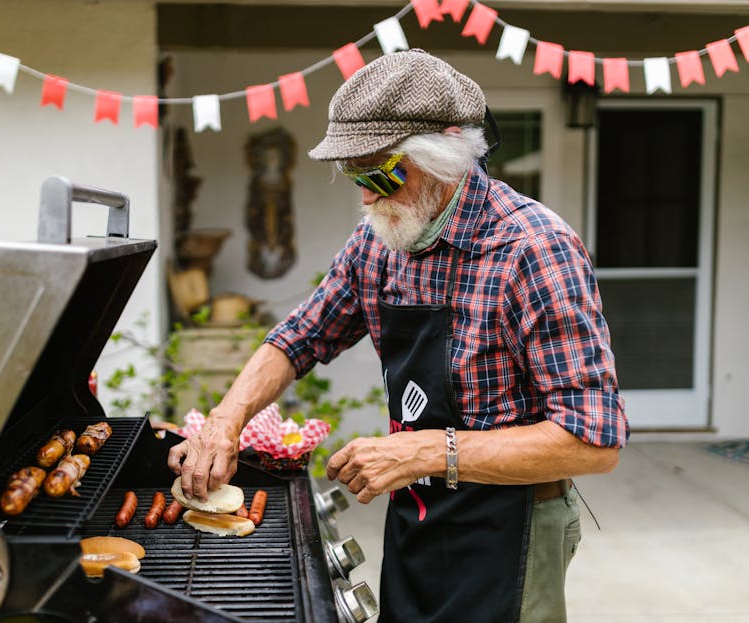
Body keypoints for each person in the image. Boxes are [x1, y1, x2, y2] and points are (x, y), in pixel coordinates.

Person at [169, 49, 629, 623]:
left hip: (511, 529)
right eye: (356, 176)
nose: (364, 196)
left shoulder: (534, 250)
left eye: (379, 174)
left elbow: (594, 440)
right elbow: (299, 336)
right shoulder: (381, 239)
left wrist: (427, 450)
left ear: (447, 155)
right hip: (417, 512)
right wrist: (224, 420)